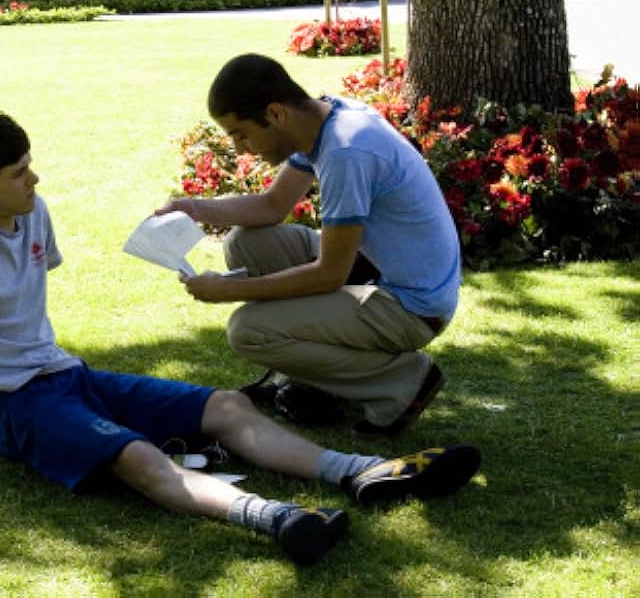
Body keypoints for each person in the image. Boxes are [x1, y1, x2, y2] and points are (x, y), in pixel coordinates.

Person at [0, 111, 480, 566]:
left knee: (228, 406)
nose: (35, 180)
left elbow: (24, 306)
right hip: (13, 405)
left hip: (67, 375)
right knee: (135, 457)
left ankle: (360, 472)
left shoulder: (34, 211)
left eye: (29, 166)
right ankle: (273, 517)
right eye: (18, 174)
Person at [156, 53, 463, 438]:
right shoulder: (326, 117)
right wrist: (193, 207)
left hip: (410, 306)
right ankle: (310, 382)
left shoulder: (346, 151)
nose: (241, 150)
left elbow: (329, 275)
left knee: (248, 331)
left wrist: (227, 290)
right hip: (373, 272)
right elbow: (272, 206)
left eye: (241, 134)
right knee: (247, 246)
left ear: (275, 113)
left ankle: (402, 383)